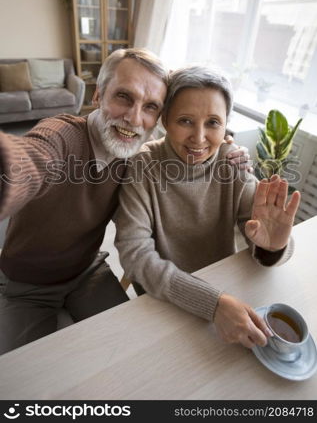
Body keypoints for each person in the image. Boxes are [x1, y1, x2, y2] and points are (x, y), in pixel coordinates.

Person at [0, 49, 250, 355]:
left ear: (159, 118)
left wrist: (226, 147)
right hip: (26, 282)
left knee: (134, 351)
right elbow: (30, 157)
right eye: (123, 97)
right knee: (23, 377)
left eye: (150, 107)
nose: (134, 118)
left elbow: (194, 141)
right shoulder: (62, 137)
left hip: (87, 271)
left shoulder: (135, 156)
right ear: (98, 94)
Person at [114, 65, 301, 349]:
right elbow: (135, 255)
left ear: (226, 124)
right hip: (167, 299)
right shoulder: (142, 166)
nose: (199, 138)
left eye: (213, 122)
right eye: (185, 121)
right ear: (165, 119)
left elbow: (264, 237)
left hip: (226, 291)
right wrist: (212, 304)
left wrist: (272, 247)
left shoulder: (232, 162)